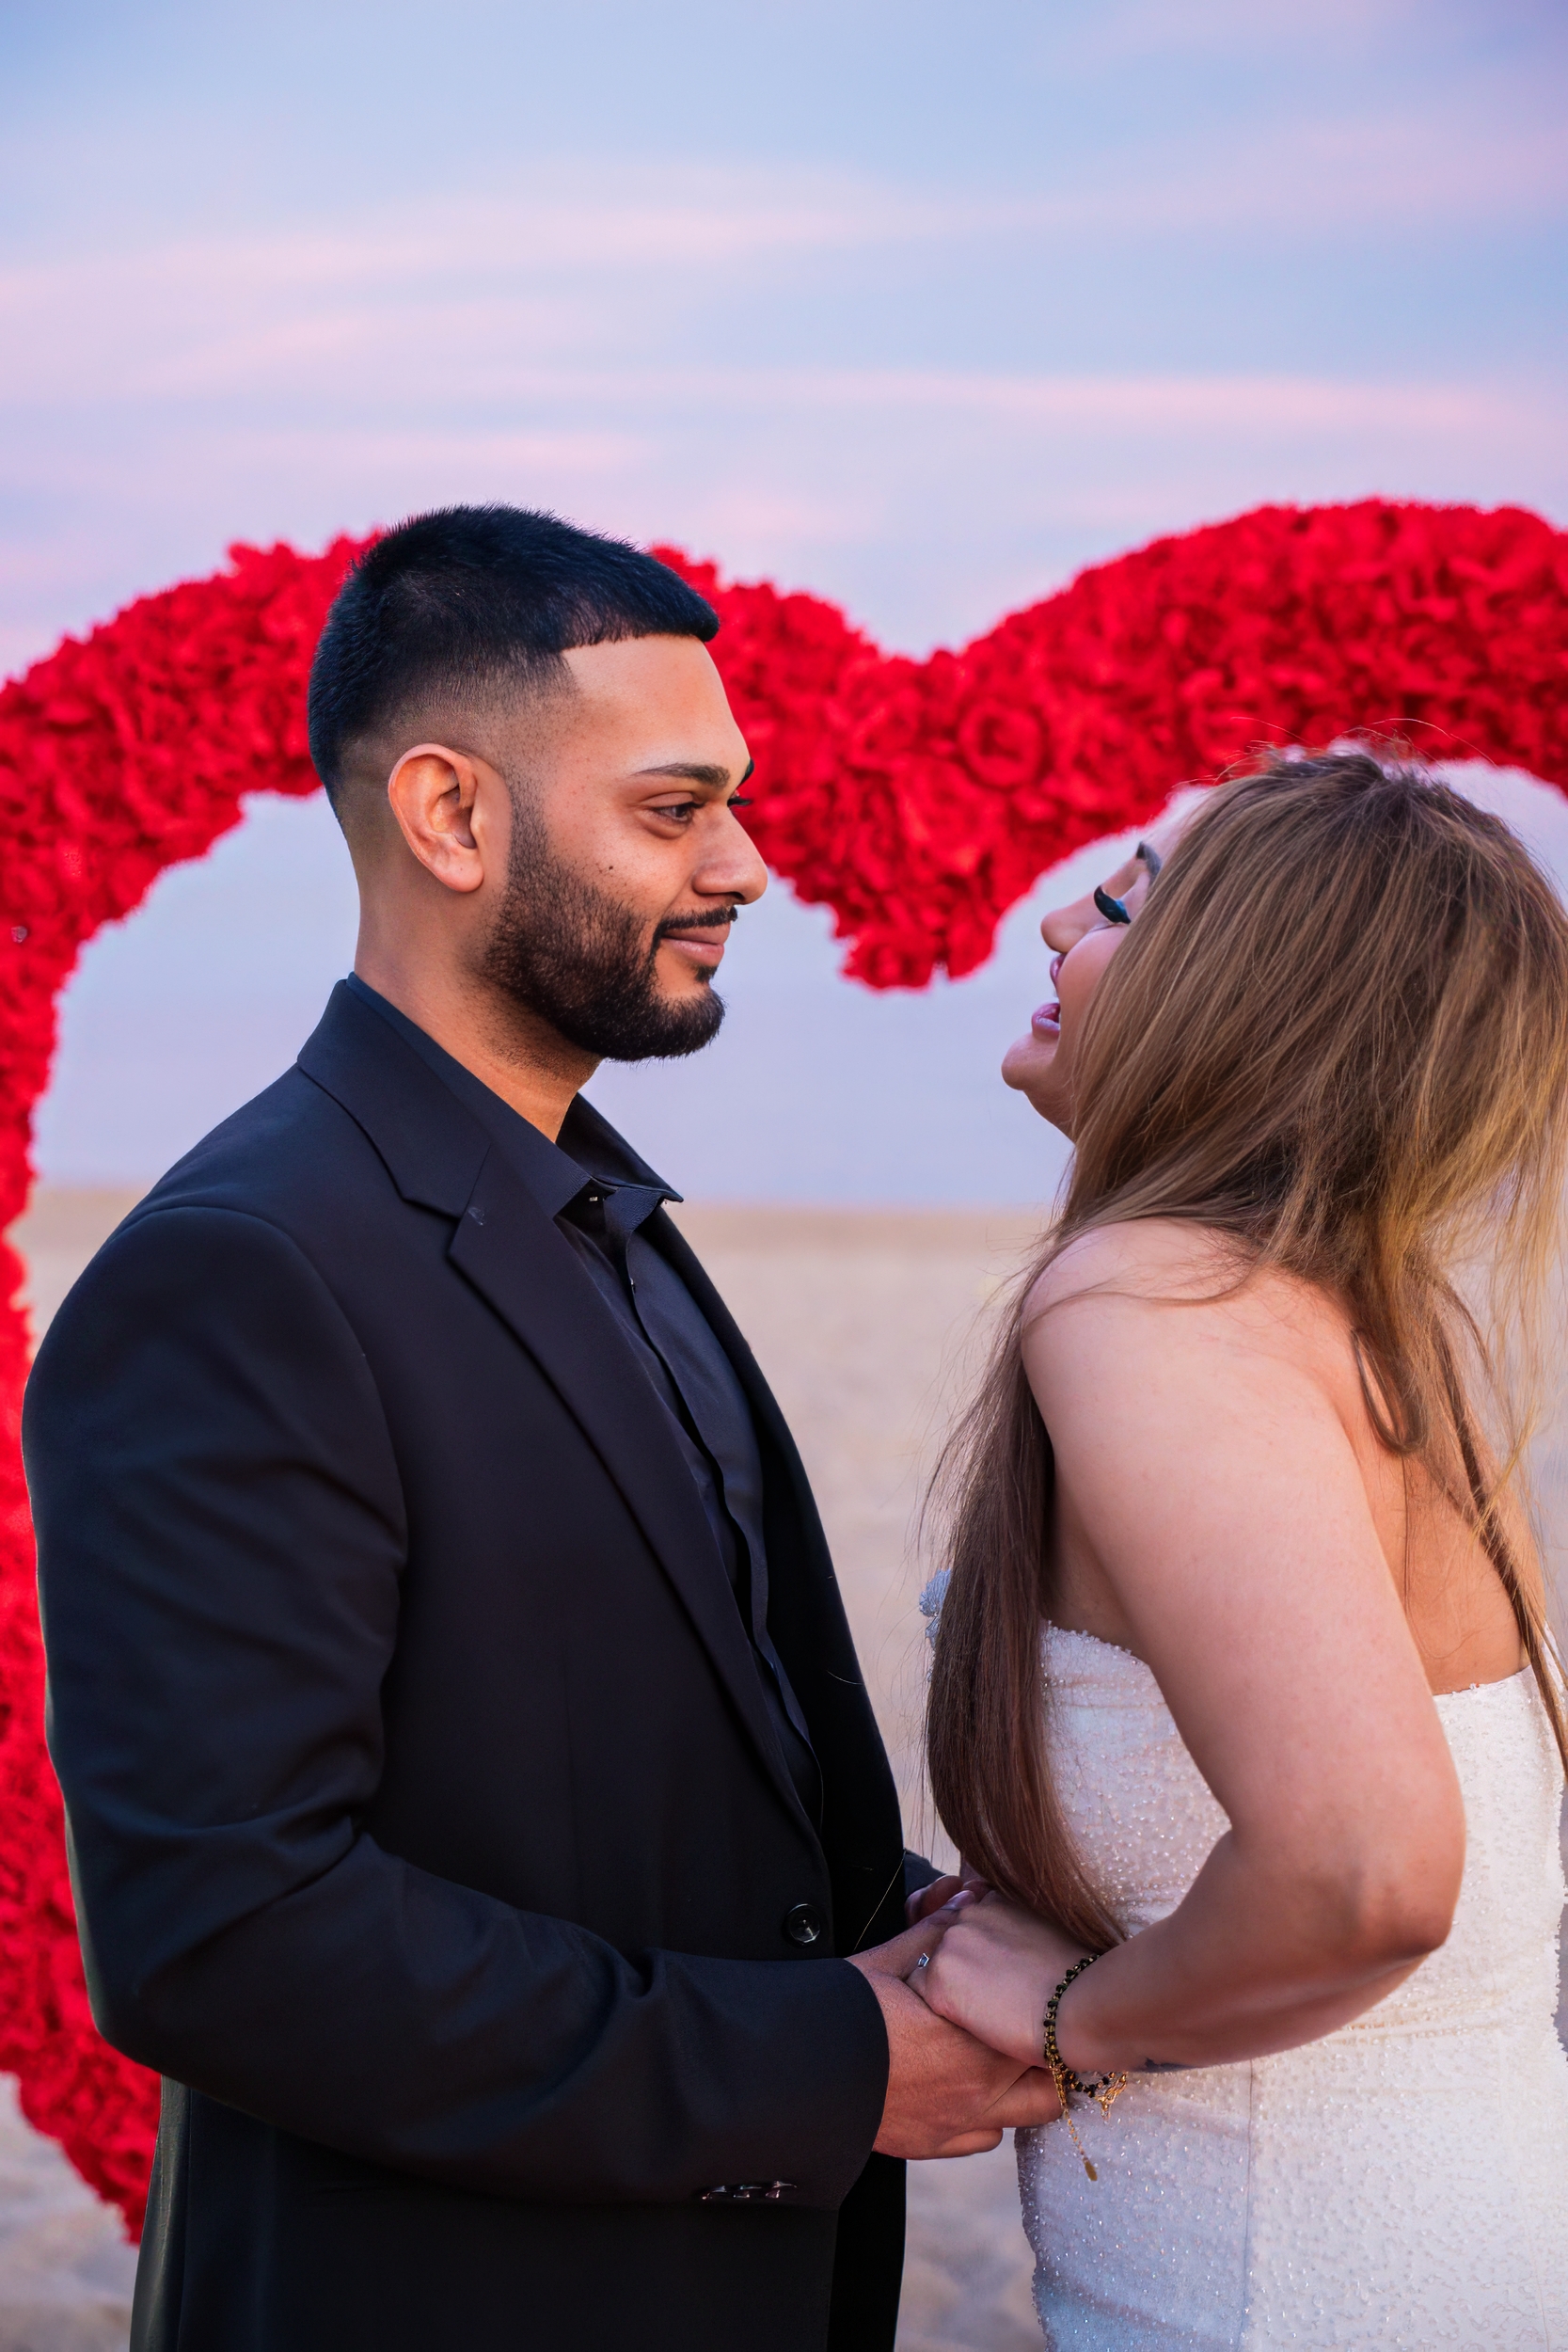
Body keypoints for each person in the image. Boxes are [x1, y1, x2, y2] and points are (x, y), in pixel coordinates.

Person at [24, 505, 1058, 2352]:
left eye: (735, 799)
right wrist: (821, 2061)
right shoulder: (242, 1270)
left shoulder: (609, 1217)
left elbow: (629, 1764)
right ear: (451, 814)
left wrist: (911, 1924)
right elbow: (226, 1929)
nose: (744, 862)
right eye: (674, 809)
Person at [911, 754, 1568, 2346]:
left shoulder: (1147, 1301)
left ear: (1251, 995)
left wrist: (1078, 2021)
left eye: (1130, 901)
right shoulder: (1379, 1327)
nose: (1062, 918)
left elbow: (1364, 1873)